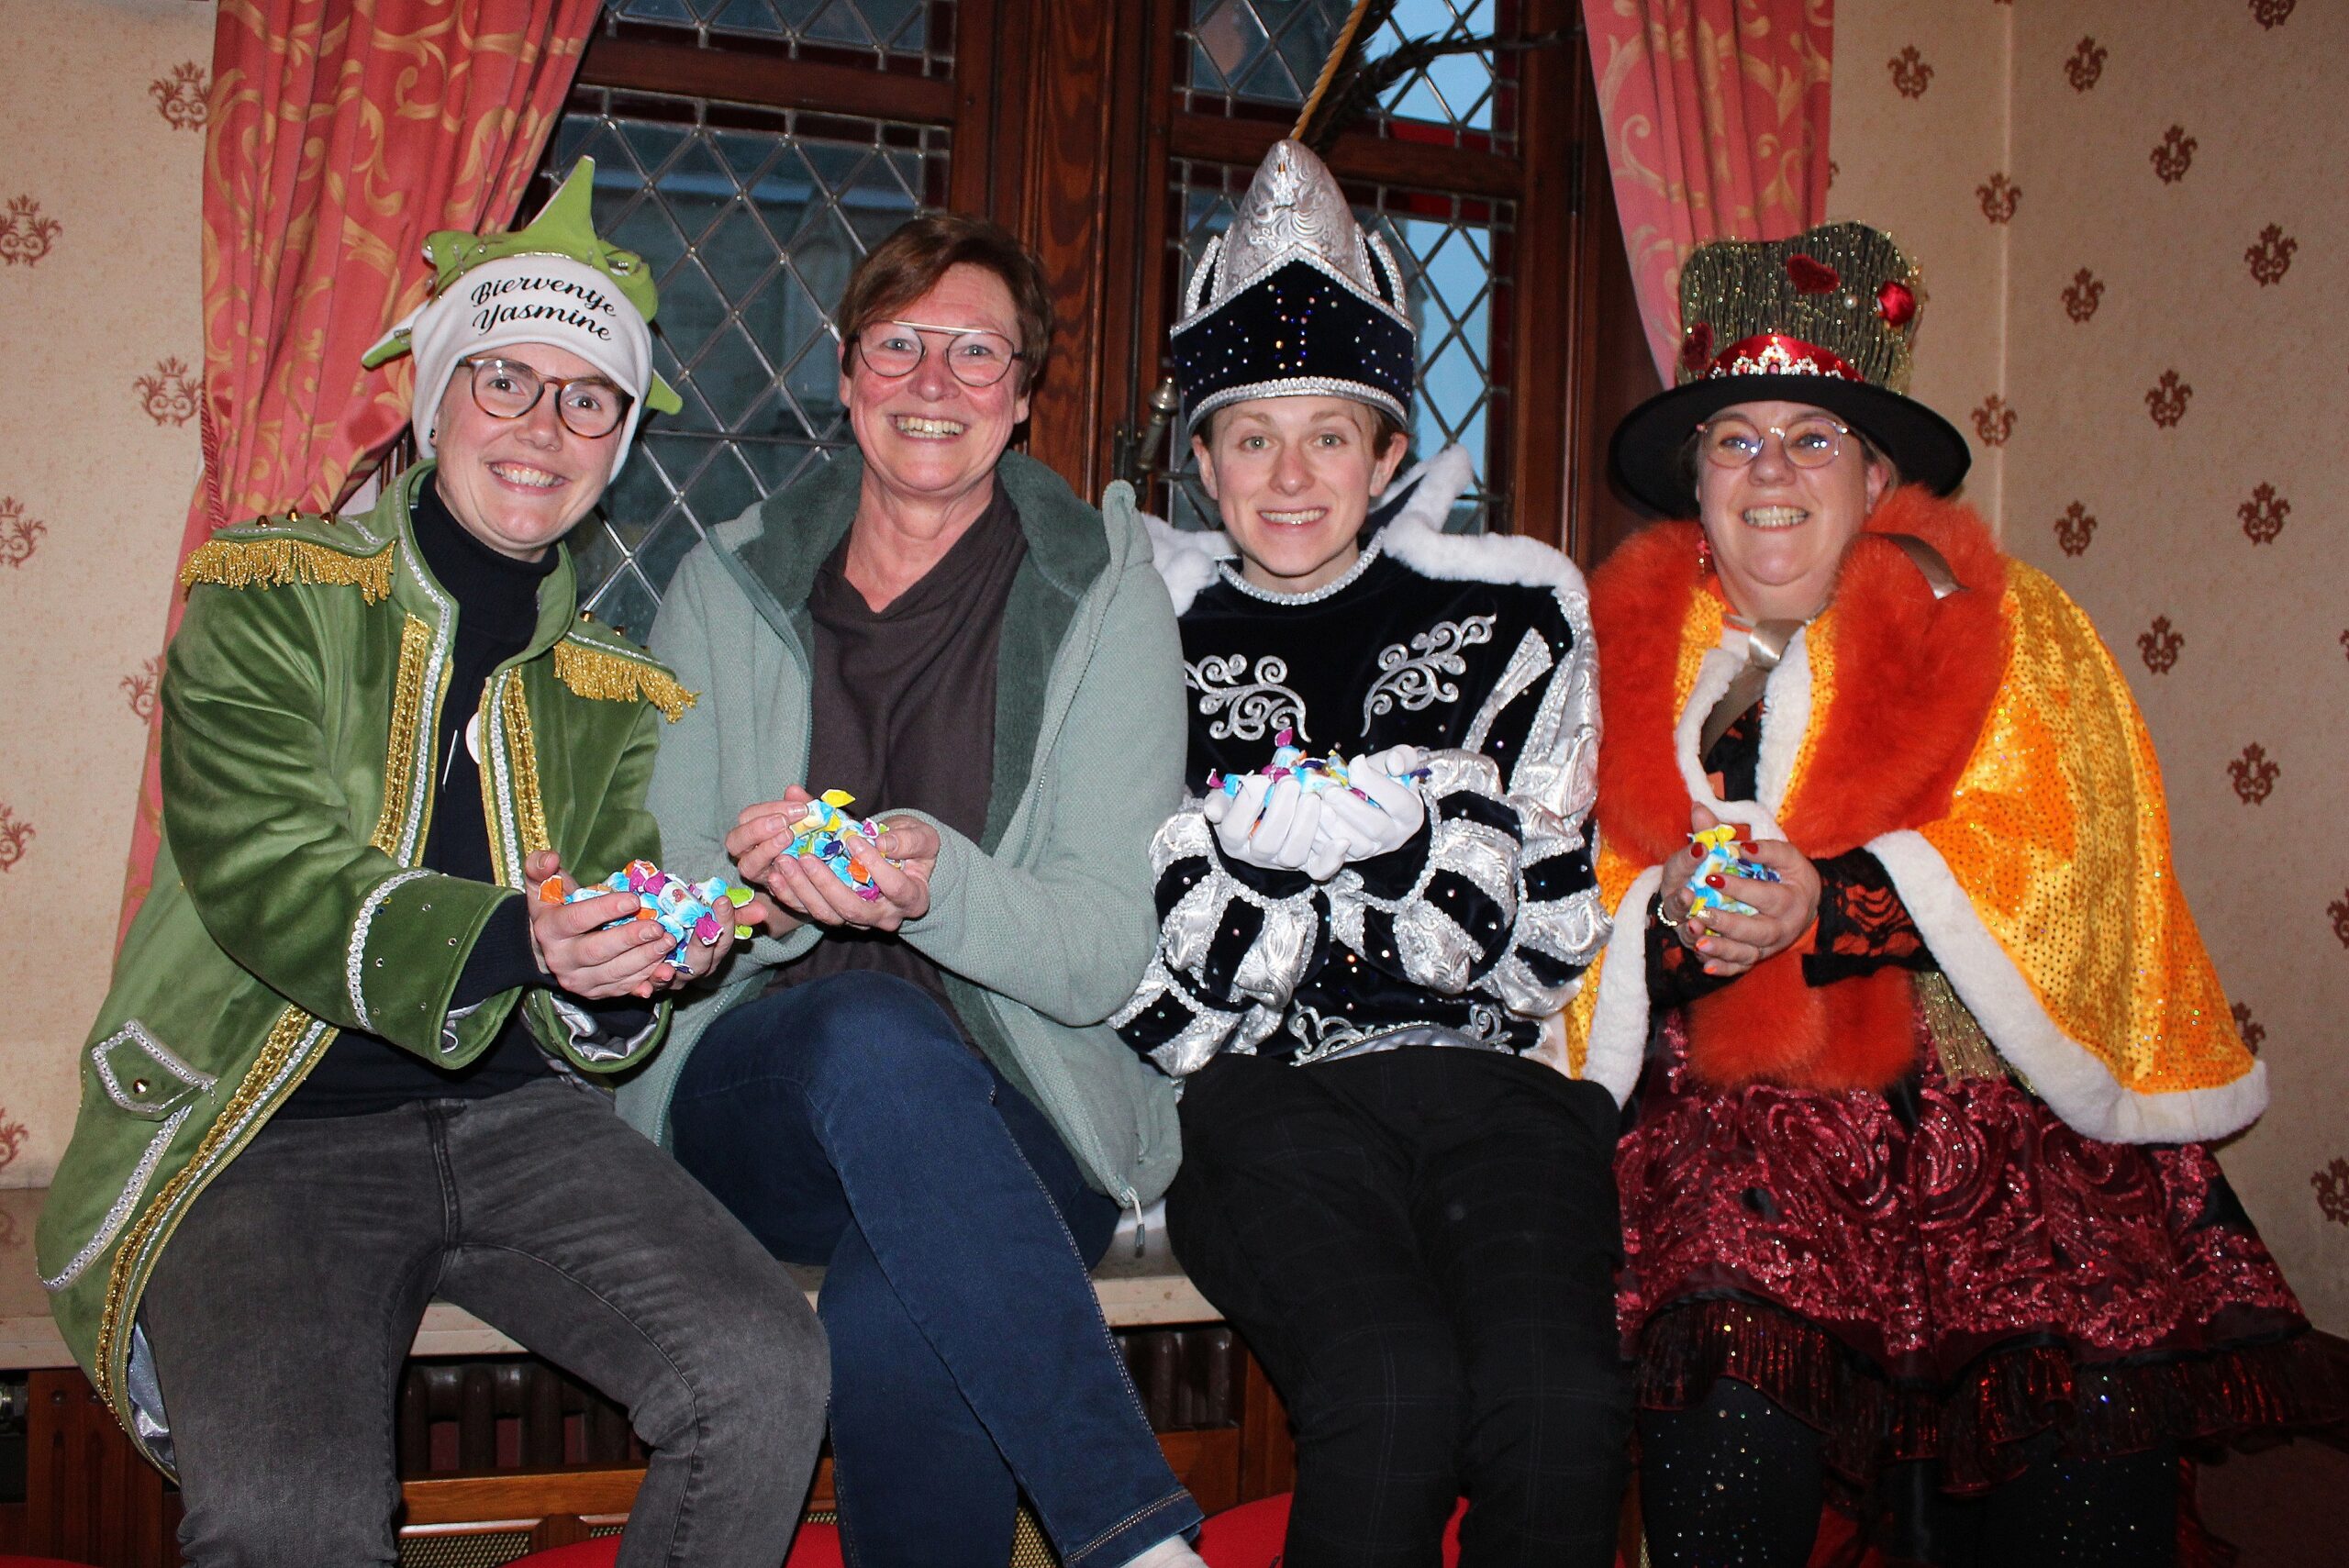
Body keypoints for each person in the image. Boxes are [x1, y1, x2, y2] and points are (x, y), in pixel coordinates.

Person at [33, 161, 829, 1566]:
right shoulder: (266, 595)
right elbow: (265, 866)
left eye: (591, 397)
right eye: (505, 379)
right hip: (265, 1131)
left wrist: (625, 963)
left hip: (525, 1131)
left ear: (622, 440)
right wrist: (526, 938)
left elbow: (593, 991)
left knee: (767, 1373)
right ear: (436, 398)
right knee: (295, 1519)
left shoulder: (615, 688)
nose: (544, 425)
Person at [1574, 220, 2337, 1567]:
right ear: (1693, 485)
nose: (1769, 471)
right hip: (1744, 1142)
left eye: (1811, 436)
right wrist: (1666, 924)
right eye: (1734, 438)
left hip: (2014, 1139)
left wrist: (1845, 898)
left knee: (2088, 1431)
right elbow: (1572, 907)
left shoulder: (2015, 623)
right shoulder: (1621, 654)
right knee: (1728, 1381)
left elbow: (2079, 867)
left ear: (1876, 474)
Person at [615, 212, 1205, 1568]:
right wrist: (758, 904)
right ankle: (1131, 1536)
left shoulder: (1105, 594)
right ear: (844, 368)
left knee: (900, 1325)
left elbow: (1106, 952)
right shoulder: (726, 580)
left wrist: (937, 886)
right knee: (869, 1035)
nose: (934, 381)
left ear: (1021, 396)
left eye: (976, 351)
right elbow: (662, 905)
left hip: (1020, 1096)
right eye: (900, 344)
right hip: (758, 1083)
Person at [1115, 139, 1628, 1568]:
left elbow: (1548, 923)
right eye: (1251, 435)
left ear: (1391, 449)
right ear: (1202, 461)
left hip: (1489, 1088)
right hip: (1266, 1102)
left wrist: (1422, 872)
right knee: (1395, 1398)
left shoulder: (1516, 621)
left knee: (1560, 1402)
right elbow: (1136, 953)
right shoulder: (1142, 642)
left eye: (1329, 434)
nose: (1290, 474)